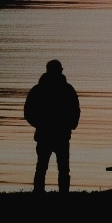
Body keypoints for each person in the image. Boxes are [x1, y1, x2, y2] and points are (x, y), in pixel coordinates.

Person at [23, 59, 81, 193]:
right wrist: (71, 124)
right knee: (60, 169)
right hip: (58, 134)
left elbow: (28, 111)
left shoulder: (39, 89)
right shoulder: (66, 89)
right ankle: (61, 194)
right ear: (59, 71)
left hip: (49, 133)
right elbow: (75, 109)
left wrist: (39, 124)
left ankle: (40, 193)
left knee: (44, 168)